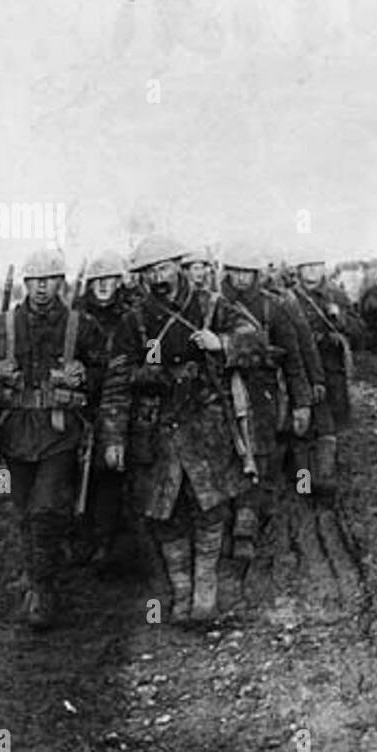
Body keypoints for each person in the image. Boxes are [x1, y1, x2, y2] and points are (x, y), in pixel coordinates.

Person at [99, 234, 264, 624]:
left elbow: (257, 343)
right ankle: (180, 592)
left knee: (211, 507)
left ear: (177, 265)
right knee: (163, 513)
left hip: (206, 424)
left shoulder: (212, 306)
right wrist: (112, 437)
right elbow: (117, 383)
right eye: (148, 271)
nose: (157, 277)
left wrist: (221, 343)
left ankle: (205, 588)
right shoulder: (134, 321)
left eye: (163, 267)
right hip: (155, 427)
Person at [0, 248, 107, 630]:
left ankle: (43, 591)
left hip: (60, 432)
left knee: (45, 508)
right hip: (14, 432)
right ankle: (35, 571)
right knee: (24, 509)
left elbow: (104, 372)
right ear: (26, 284)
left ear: (61, 282)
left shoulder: (81, 325)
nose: (42, 288)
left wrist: (83, 376)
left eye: (49, 280)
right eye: (35, 281)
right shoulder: (2, 325)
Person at [218, 241, 314, 561]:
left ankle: (247, 522)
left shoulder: (273, 307)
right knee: (229, 453)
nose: (242, 278)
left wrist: (302, 402)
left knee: (262, 454)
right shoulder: (214, 306)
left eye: (247, 272)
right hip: (222, 390)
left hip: (264, 391)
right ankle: (232, 517)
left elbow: (294, 359)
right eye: (236, 271)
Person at [73, 250, 135, 568]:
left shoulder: (130, 316)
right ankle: (80, 536)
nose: (102, 286)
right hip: (82, 403)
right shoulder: (77, 317)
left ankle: (105, 540)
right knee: (76, 472)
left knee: (110, 472)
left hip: (120, 402)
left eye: (109, 279)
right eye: (97, 280)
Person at [290, 256, 353, 504]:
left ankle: (325, 482)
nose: (311, 271)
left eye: (316, 265)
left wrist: (339, 321)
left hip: (330, 371)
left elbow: (359, 332)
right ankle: (304, 485)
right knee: (301, 429)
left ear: (324, 268)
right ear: (298, 268)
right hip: (299, 370)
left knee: (328, 428)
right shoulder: (288, 298)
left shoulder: (336, 295)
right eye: (306, 264)